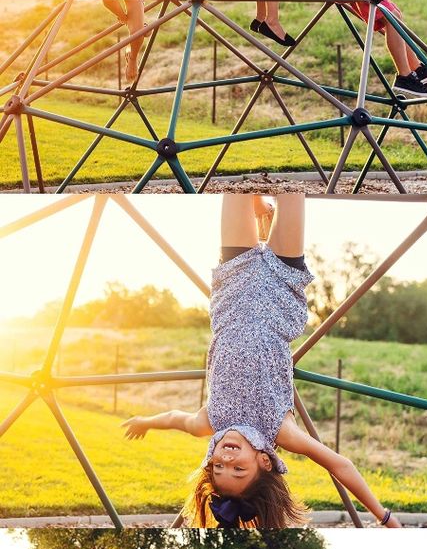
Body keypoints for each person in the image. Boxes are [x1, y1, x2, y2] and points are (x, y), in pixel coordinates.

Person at [122, 195, 402, 530]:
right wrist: (383, 515)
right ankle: (265, 209)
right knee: (292, 194)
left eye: (218, 468)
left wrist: (145, 421)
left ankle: (255, 203)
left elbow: (172, 417)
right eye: (238, 469)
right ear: (264, 461)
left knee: (235, 190)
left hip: (235, 278)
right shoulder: (281, 431)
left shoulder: (208, 421)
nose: (226, 460)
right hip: (282, 286)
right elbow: (340, 465)